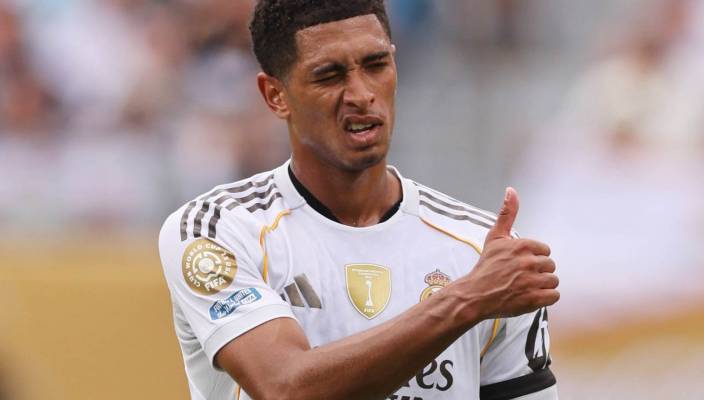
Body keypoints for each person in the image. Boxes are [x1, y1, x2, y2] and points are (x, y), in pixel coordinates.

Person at [158, 1, 560, 399]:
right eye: (329, 76)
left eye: (376, 65)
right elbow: (284, 388)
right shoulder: (218, 231)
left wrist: (476, 290)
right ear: (275, 95)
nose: (361, 93)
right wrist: (466, 299)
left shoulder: (480, 252)